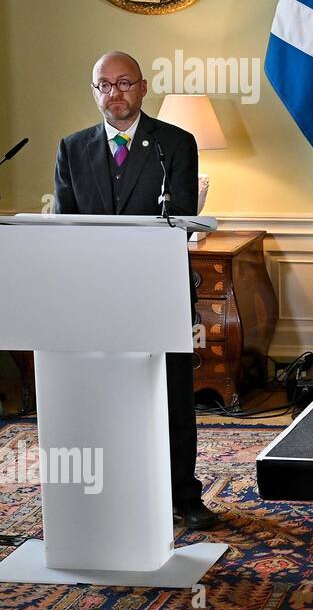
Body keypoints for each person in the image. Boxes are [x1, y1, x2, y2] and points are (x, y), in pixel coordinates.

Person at [53, 51, 216, 530]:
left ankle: (183, 495)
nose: (114, 93)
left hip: (158, 289)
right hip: (97, 296)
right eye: (104, 85)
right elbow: (65, 223)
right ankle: (113, 492)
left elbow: (182, 216)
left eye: (123, 83)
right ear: (94, 92)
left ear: (143, 88)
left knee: (172, 394)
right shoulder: (72, 148)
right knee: (105, 397)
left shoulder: (175, 143)